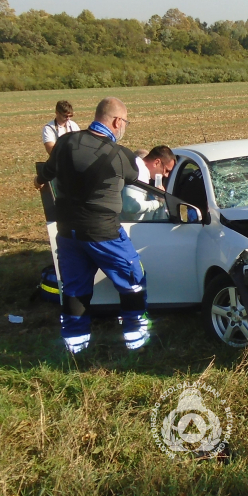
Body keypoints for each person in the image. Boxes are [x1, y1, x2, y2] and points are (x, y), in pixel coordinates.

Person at [34, 97, 151, 354]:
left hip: (68, 232)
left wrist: (38, 179)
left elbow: (45, 173)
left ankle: (76, 348)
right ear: (117, 121)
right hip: (104, 232)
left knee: (74, 289)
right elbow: (139, 180)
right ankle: (136, 341)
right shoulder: (121, 155)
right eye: (125, 123)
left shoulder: (64, 143)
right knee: (133, 280)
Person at [122, 145, 176, 221]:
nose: (166, 175)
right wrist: (159, 202)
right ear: (157, 162)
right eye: (166, 170)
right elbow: (131, 207)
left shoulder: (136, 164)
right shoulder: (140, 172)